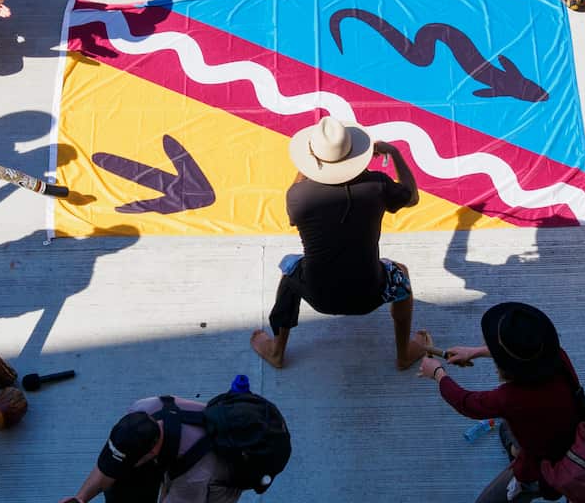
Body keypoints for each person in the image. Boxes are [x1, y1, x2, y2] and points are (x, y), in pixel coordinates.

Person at [249, 116, 428, 370]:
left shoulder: (298, 196)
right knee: (401, 273)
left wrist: (309, 165)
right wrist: (395, 153)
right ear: (354, 154)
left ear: (313, 159)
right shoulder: (377, 185)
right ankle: (404, 354)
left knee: (289, 272)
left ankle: (277, 350)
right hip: (369, 294)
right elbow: (412, 197)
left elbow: (292, 216)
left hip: (317, 294)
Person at [416, 302, 583, 503]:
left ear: (507, 369)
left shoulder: (512, 398)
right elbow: (520, 354)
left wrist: (437, 373)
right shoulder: (555, 356)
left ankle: (521, 466)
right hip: (568, 430)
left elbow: (467, 402)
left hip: (542, 467)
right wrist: (474, 352)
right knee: (508, 429)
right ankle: (517, 449)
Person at [60, 390, 289, 503]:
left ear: (151, 453)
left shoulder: (194, 476)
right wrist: (80, 499)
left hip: (222, 478)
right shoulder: (144, 408)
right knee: (121, 480)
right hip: (180, 452)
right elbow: (109, 467)